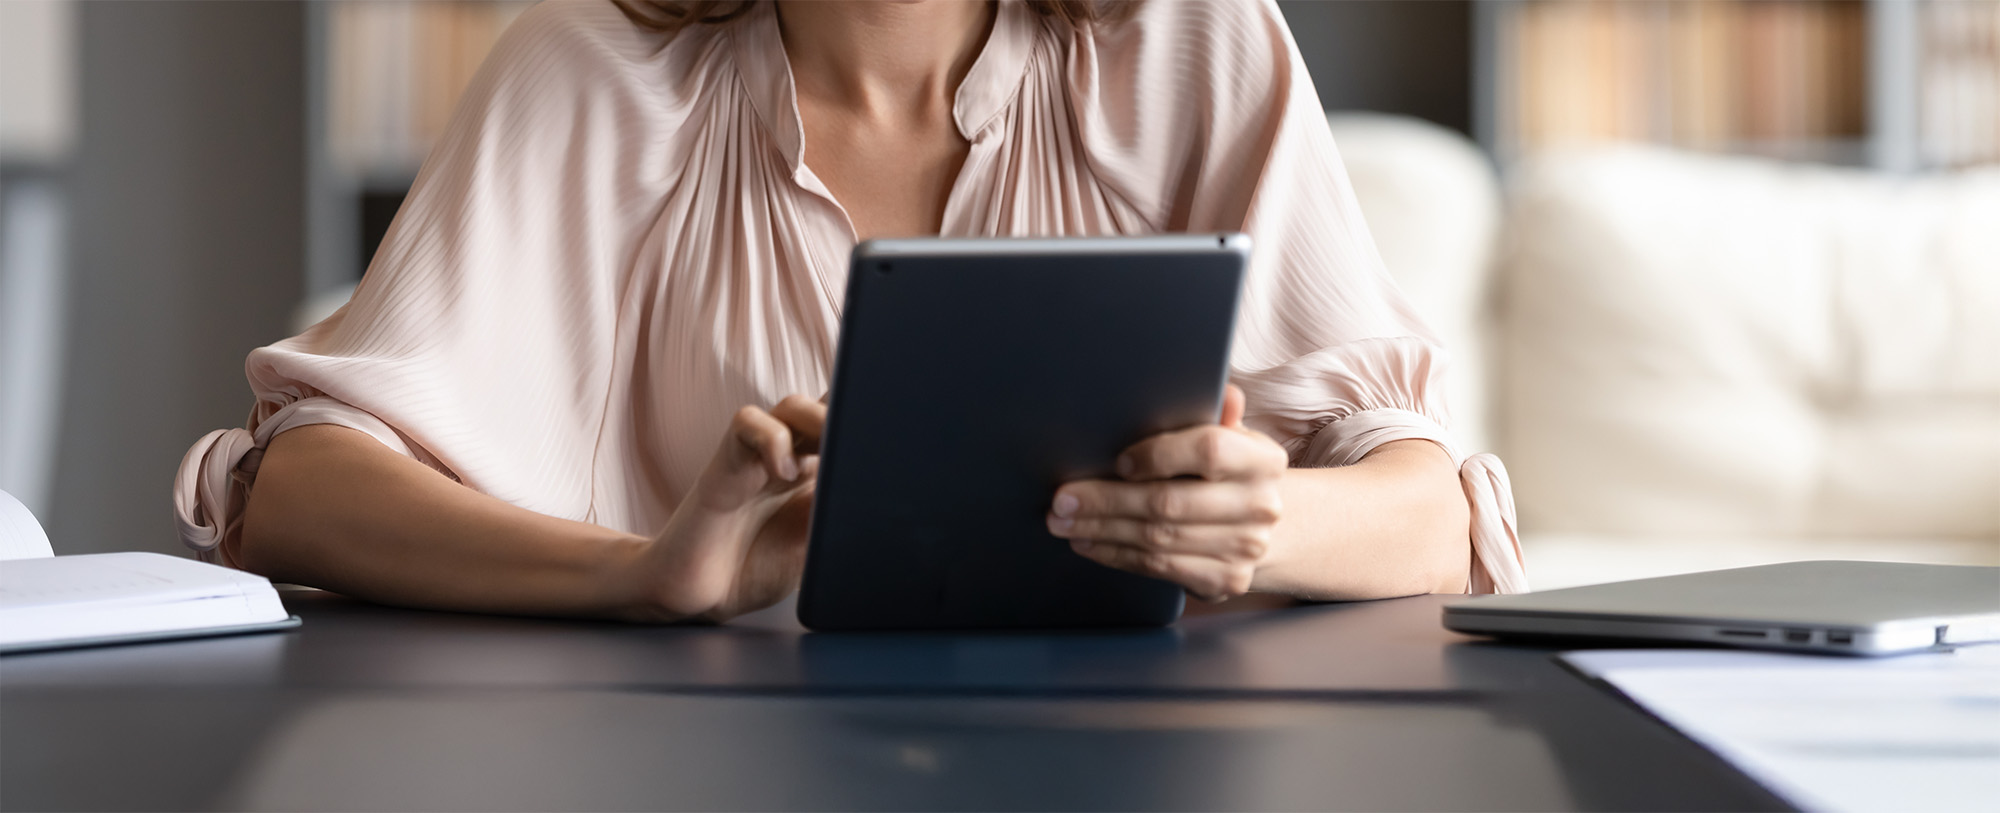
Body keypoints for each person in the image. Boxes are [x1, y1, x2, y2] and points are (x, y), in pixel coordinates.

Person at [173, 0, 1526, 623]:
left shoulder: (1193, 43)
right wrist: (643, 576)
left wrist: (1261, 520)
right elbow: (294, 490)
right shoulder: (584, 71)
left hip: (1149, 759)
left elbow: (1432, 510)